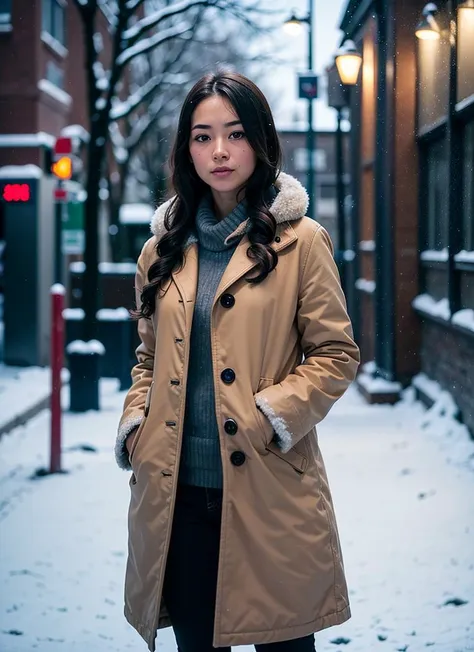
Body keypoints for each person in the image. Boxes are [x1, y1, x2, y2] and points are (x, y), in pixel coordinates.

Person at [115, 70, 360, 652]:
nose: (219, 151)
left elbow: (335, 354)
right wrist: (136, 427)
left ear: (260, 140)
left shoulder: (301, 242)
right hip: (179, 499)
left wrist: (268, 415)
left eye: (235, 133)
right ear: (187, 148)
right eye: (202, 136)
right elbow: (147, 358)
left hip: (270, 489)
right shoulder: (161, 250)